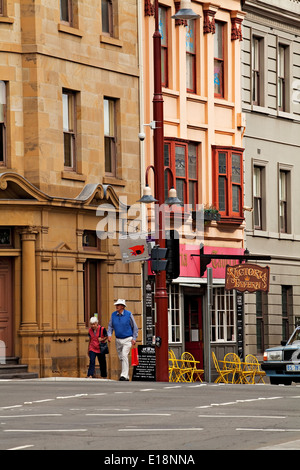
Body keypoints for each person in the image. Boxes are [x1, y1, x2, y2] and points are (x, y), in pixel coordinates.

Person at [107, 299, 138, 381]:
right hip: (118, 339)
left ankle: (123, 375)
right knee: (121, 357)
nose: (116, 306)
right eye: (116, 305)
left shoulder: (128, 314)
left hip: (128, 339)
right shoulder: (113, 315)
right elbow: (110, 326)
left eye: (118, 305)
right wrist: (109, 335)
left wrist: (134, 338)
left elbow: (135, 327)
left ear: (122, 307)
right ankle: (126, 376)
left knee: (124, 355)